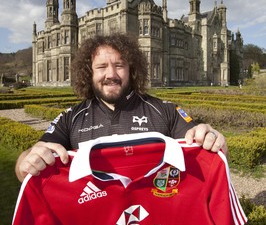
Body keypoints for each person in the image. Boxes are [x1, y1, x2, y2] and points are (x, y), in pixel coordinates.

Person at [15, 33, 227, 182]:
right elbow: (26, 164)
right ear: (89, 73)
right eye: (101, 67)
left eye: (119, 65)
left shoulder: (165, 111)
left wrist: (211, 138)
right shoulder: (70, 118)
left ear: (131, 70)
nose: (111, 75)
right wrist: (26, 162)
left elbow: (202, 147)